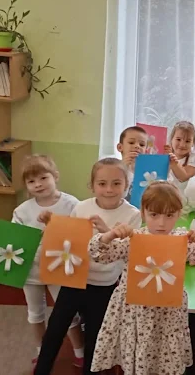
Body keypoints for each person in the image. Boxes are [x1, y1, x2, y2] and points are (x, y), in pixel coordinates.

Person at [89, 181, 195, 374]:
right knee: (139, 357)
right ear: (143, 213)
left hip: (168, 313)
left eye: (169, 215)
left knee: (165, 359)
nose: (161, 223)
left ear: (178, 214)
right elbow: (98, 254)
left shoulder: (181, 240)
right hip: (136, 312)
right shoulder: (133, 239)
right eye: (154, 215)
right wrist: (109, 235)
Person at [34, 158, 142, 375]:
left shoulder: (133, 215)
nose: (109, 189)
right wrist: (51, 224)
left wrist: (107, 232)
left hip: (105, 285)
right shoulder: (82, 207)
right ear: (92, 186)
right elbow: (68, 238)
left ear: (127, 185)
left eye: (116, 183)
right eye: (102, 183)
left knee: (95, 336)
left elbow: (130, 253)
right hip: (75, 279)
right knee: (55, 329)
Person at [0, 154, 84, 368]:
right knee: (35, 313)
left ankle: (80, 352)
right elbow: (13, 238)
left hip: (60, 268)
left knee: (68, 313)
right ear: (26, 185)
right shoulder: (22, 210)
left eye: (43, 178)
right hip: (30, 270)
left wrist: (54, 224)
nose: (38, 184)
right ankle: (43, 353)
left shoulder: (72, 204)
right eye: (31, 181)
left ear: (55, 176)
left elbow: (80, 233)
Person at [163, 120, 195, 190]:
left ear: (193, 143)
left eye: (187, 141)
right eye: (178, 139)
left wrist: (173, 162)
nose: (182, 145)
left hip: (185, 195)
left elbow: (183, 177)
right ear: (171, 139)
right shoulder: (164, 155)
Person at [116, 125, 148, 202]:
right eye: (131, 142)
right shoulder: (113, 168)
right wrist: (124, 168)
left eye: (142, 145)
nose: (137, 146)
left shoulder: (148, 171)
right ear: (120, 147)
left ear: (146, 150)